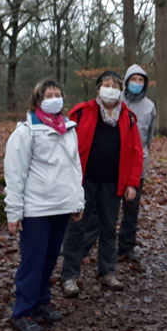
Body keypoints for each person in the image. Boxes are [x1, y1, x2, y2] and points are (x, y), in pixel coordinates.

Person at [4, 79, 85, 331]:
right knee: (33, 261)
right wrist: (13, 213)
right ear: (38, 100)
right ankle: (22, 311)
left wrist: (77, 201)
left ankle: (41, 302)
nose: (54, 98)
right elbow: (15, 174)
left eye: (57, 94)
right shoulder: (26, 131)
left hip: (61, 206)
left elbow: (75, 169)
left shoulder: (69, 128)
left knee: (50, 259)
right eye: (48, 94)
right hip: (36, 209)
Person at [61, 71, 143, 297]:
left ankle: (107, 271)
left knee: (108, 228)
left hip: (113, 183)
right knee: (76, 227)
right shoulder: (81, 113)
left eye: (114, 85)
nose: (110, 89)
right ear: (98, 89)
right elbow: (66, 147)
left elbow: (136, 152)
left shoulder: (129, 117)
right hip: (83, 182)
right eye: (106, 85)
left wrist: (132, 183)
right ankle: (69, 275)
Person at [81, 64, 156, 262]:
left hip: (136, 166)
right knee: (99, 211)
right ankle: (85, 246)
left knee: (131, 210)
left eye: (141, 80)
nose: (137, 83)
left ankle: (127, 247)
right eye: (134, 80)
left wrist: (142, 156)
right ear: (126, 82)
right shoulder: (113, 100)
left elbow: (148, 137)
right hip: (112, 168)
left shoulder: (150, 106)